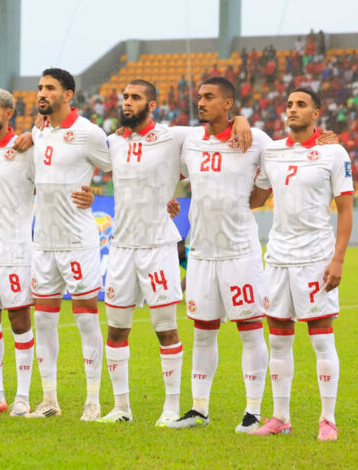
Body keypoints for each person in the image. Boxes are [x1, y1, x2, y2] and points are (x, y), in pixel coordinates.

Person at [99, 80, 252, 426]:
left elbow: (218, 128)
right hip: (121, 246)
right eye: (124, 97)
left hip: (158, 247)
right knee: (116, 330)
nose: (126, 102)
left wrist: (240, 118)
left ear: (151, 105)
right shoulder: (110, 142)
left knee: (165, 329)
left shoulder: (175, 137)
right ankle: (121, 407)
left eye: (135, 97)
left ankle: (170, 408)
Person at [0, 88, 94, 416]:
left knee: (20, 321)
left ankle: (22, 396)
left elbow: (54, 182)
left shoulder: (28, 150)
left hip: (18, 249)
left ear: (9, 114)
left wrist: (86, 196)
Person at [168, 77, 272, 432]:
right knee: (203, 331)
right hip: (200, 253)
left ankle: (254, 411)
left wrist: (242, 121)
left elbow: (281, 165)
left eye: (209, 97)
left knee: (249, 329)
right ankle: (199, 410)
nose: (201, 102)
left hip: (239, 252)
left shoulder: (255, 139)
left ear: (228, 103)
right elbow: (145, 137)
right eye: (199, 97)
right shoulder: (190, 139)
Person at [249, 88, 353, 441]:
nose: (292, 109)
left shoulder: (333, 152)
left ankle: (327, 419)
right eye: (290, 104)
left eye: (301, 105)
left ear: (316, 113)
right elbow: (256, 197)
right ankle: (280, 417)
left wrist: (338, 259)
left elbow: (345, 209)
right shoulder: (272, 152)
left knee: (321, 339)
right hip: (277, 257)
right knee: (278, 339)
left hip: (315, 258)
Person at [28, 68, 109, 420]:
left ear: (69, 95)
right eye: (40, 88)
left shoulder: (88, 132)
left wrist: (97, 193)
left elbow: (118, 168)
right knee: (43, 322)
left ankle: (93, 400)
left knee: (86, 319)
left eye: (50, 88)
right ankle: (49, 400)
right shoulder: (38, 130)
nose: (42, 93)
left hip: (77, 240)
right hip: (44, 242)